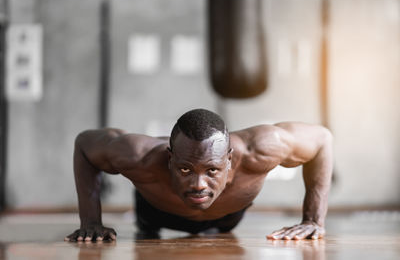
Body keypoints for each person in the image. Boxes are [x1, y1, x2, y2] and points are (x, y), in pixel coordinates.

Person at [65, 108, 333, 242]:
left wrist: (313, 220)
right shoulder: (139, 156)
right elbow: (84, 145)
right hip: (157, 213)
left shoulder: (261, 149)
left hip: (227, 217)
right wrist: (91, 221)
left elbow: (322, 140)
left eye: (212, 170)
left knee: (221, 228)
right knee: (146, 230)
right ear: (170, 159)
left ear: (229, 160)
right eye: (185, 169)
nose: (198, 184)